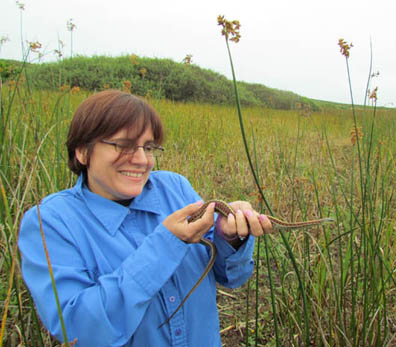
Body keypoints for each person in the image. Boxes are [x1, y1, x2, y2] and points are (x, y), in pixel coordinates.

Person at [18, 90, 272, 347]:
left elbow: (232, 276)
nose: (141, 160)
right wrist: (166, 244)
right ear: (83, 151)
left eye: (148, 147)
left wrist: (228, 237)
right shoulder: (50, 222)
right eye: (123, 145)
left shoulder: (175, 188)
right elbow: (77, 327)